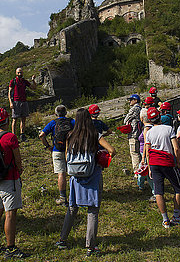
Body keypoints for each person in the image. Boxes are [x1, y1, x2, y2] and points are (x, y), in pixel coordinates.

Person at [55, 109, 116, 257]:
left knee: (72, 208)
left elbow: (66, 155)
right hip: (92, 175)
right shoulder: (94, 134)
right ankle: (90, 247)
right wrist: (102, 160)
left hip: (75, 177)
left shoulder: (70, 135)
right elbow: (112, 150)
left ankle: (62, 240)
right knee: (92, 210)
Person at [0, 108, 29, 259]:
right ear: (6, 120)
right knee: (10, 214)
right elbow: (17, 159)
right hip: (9, 179)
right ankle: (10, 248)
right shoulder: (10, 137)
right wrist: (20, 171)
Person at [146, 107, 180, 228]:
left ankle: (165, 219)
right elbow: (175, 147)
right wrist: (177, 162)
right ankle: (176, 214)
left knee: (159, 191)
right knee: (179, 188)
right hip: (167, 162)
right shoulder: (169, 129)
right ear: (160, 116)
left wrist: (149, 167)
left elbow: (148, 151)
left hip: (154, 163)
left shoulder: (149, 132)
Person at [39, 105, 74, 205]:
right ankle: (76, 195)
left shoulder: (53, 123)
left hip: (57, 150)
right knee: (73, 173)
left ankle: (63, 198)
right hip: (70, 150)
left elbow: (41, 135)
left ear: (55, 114)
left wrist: (48, 146)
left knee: (61, 173)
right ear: (66, 113)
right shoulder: (71, 121)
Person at [8, 67, 37, 141]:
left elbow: (33, 88)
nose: (20, 74)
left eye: (21, 72)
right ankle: (13, 136)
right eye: (18, 72)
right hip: (16, 102)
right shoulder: (13, 81)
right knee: (15, 119)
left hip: (24, 101)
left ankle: (22, 135)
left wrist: (33, 80)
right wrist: (11, 102)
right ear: (16, 73)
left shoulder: (25, 81)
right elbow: (9, 92)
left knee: (23, 119)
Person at [139, 108, 157, 200]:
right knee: (143, 171)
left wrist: (143, 157)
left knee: (146, 171)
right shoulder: (153, 127)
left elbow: (147, 144)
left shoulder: (146, 129)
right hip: (149, 152)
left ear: (142, 118)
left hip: (146, 153)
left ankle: (154, 192)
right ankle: (140, 185)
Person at [123, 94, 142, 172]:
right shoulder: (141, 109)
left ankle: (137, 172)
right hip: (139, 133)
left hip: (133, 134)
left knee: (134, 153)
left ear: (136, 100)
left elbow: (125, 120)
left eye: (131, 100)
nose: (130, 101)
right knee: (139, 153)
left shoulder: (134, 109)